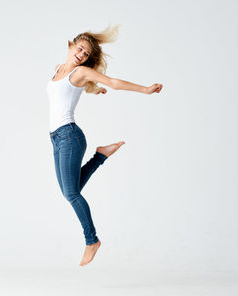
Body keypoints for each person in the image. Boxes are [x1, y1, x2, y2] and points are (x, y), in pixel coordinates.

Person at [47, 24, 163, 267]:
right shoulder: (59, 70)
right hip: (57, 138)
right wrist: (93, 90)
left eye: (86, 54)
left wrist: (145, 89)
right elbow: (66, 93)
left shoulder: (80, 72)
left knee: (71, 193)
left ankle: (92, 240)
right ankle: (100, 155)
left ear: (87, 60)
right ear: (70, 46)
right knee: (70, 190)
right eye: (79, 49)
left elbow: (113, 82)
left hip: (70, 136)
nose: (81, 55)